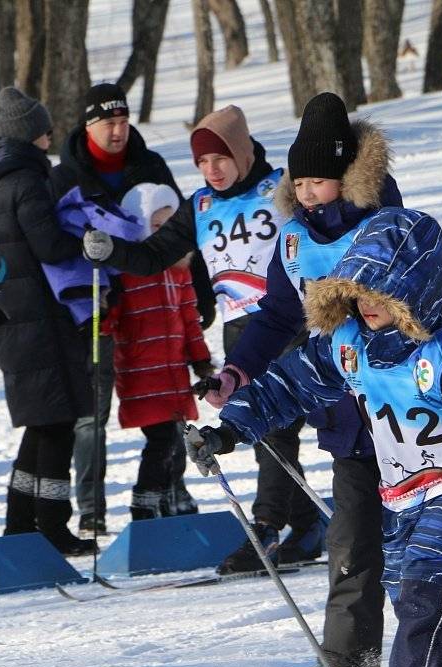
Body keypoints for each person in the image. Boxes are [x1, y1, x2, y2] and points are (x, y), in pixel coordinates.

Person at [185, 207, 442, 667]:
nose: (368, 305)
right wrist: (225, 432)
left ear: (412, 291)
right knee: (422, 592)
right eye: (357, 292)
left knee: (424, 581)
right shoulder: (346, 346)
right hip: (399, 494)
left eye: (381, 294)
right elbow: (285, 388)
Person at [202, 92, 403, 667]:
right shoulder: (293, 242)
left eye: (322, 181)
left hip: (406, 411)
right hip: (345, 413)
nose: (311, 193)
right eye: (302, 181)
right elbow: (276, 316)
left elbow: (414, 308)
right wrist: (236, 373)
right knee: (352, 542)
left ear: (348, 176)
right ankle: (349, 660)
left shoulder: (388, 224)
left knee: (437, 547)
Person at [81, 104, 321, 570]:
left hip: (290, 324)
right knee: (268, 429)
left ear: (242, 153)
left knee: (275, 427)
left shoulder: (283, 190)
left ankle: (266, 529)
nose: (211, 170)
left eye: (220, 159)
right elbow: (154, 255)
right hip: (240, 332)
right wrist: (112, 251)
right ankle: (307, 523)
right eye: (201, 163)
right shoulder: (202, 206)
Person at [50, 83, 212, 534]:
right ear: (89, 126)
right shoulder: (68, 175)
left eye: (123, 122)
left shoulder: (149, 164)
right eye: (108, 123)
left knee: (172, 403)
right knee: (93, 414)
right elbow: (54, 243)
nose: (118, 131)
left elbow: (183, 228)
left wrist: (201, 291)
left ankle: (169, 491)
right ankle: (91, 507)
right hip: (98, 306)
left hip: (157, 299)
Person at [0, 86, 96, 557]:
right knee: (57, 422)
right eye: (44, 132)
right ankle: (51, 526)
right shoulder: (26, 181)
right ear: (30, 136)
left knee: (42, 423)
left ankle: (20, 522)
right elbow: (48, 246)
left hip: (12, 319)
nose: (50, 139)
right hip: (39, 319)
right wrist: (88, 240)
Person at [114, 182, 213, 518]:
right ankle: (144, 502)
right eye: (156, 227)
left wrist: (200, 359)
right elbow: (112, 321)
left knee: (178, 440)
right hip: (142, 374)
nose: (164, 237)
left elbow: (189, 320)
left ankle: (172, 497)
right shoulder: (126, 275)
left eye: (169, 229)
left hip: (174, 374)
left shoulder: (179, 271)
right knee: (161, 441)